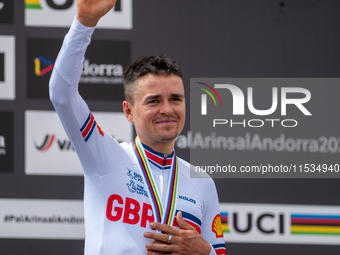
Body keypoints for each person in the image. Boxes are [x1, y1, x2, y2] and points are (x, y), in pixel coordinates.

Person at [49, 0, 226, 254]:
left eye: (175, 99)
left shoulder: (202, 183)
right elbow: (62, 94)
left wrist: (205, 252)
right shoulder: (106, 158)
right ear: (129, 111)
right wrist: (84, 24)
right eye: (154, 101)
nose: (167, 109)